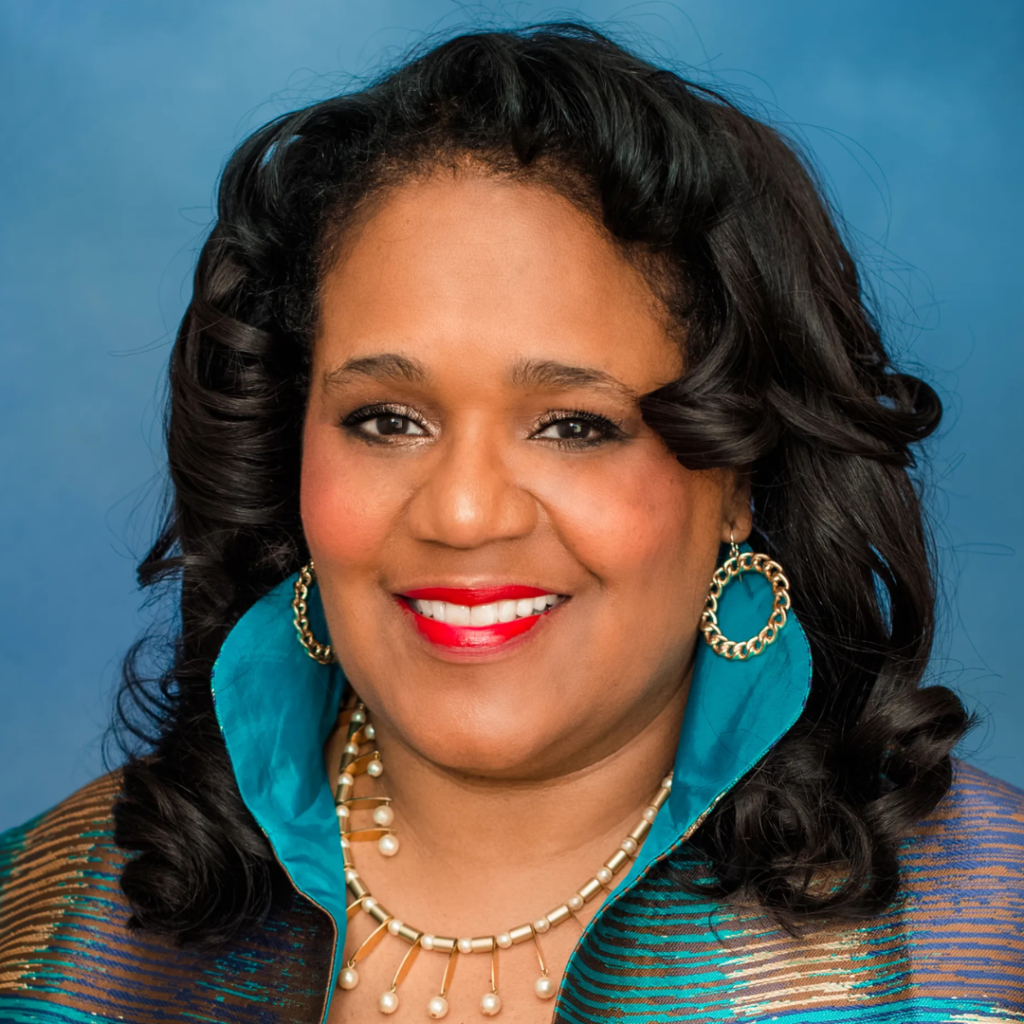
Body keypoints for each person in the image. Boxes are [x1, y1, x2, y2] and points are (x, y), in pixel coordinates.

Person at [1, 23, 1021, 1024]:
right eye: (386, 419)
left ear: (736, 477)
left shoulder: (982, 946)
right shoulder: (45, 932)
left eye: (573, 425)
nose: (462, 511)